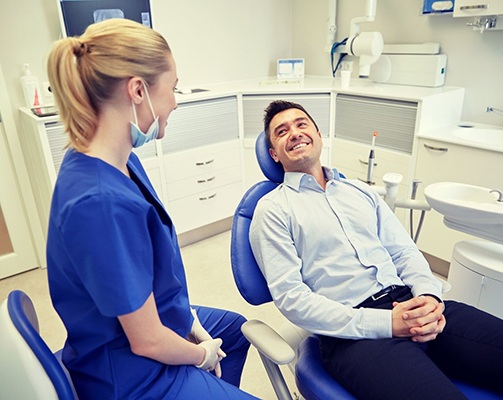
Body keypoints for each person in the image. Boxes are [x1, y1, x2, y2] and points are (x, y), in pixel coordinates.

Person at [46, 19, 258, 399]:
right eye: (172, 88)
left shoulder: (119, 160)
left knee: (235, 331)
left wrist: (188, 319)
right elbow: (147, 342)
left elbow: (148, 273)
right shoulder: (99, 203)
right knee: (215, 351)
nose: (175, 101)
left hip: (152, 324)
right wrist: (199, 355)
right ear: (138, 90)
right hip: (132, 373)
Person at [249, 100, 503, 400]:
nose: (294, 132)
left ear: (318, 135)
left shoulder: (360, 191)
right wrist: (386, 324)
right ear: (274, 154)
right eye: (281, 132)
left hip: (411, 303)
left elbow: (405, 252)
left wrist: (428, 297)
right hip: (353, 335)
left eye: (301, 124)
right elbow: (292, 299)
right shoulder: (273, 210)